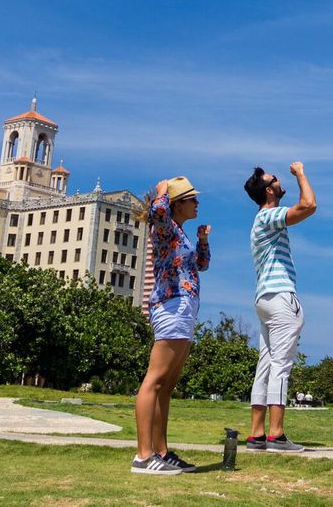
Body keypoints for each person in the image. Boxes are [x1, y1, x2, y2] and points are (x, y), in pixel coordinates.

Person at [132, 176, 211, 475]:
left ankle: (161, 452)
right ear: (178, 204)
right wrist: (163, 191)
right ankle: (143, 456)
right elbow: (158, 213)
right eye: (192, 199)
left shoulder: (180, 233)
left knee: (166, 386)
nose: (197, 203)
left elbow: (201, 265)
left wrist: (203, 240)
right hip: (170, 304)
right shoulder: (163, 227)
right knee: (154, 380)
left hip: (185, 307)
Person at [243, 160, 316, 454]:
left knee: (265, 365)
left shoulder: (258, 222)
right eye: (275, 179)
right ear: (269, 191)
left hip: (264, 299)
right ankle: (276, 434)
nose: (279, 181)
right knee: (281, 367)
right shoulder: (269, 216)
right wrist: (300, 173)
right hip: (281, 297)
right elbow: (308, 205)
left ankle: (257, 434)